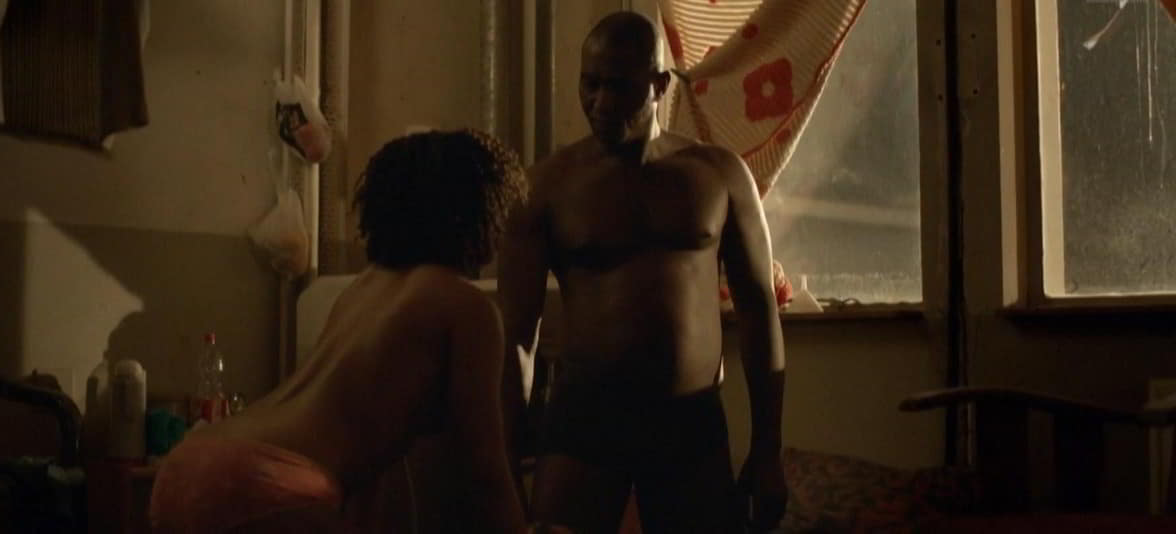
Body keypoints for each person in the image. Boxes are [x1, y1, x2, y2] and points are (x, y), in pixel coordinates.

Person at [150, 129, 528, 533]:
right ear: (478, 214)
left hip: (193, 461)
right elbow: (484, 473)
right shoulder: (468, 308)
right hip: (264, 484)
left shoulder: (360, 290)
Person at [498, 11, 787, 533]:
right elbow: (517, 338)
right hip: (586, 415)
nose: (601, 102)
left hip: (689, 419)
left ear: (658, 85)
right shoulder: (545, 187)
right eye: (590, 84)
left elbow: (759, 312)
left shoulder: (719, 175)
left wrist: (768, 450)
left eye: (618, 86)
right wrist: (505, 461)